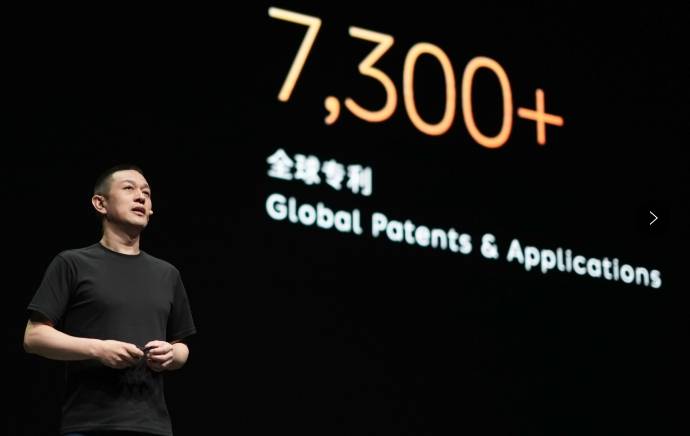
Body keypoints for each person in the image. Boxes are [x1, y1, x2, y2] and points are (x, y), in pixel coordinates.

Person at [24, 164, 196, 436]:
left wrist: (172, 355)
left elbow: (181, 346)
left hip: (153, 426)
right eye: (129, 188)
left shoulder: (167, 274)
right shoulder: (73, 263)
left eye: (146, 193)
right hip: (90, 423)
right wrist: (98, 349)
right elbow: (34, 337)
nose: (140, 197)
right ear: (100, 203)